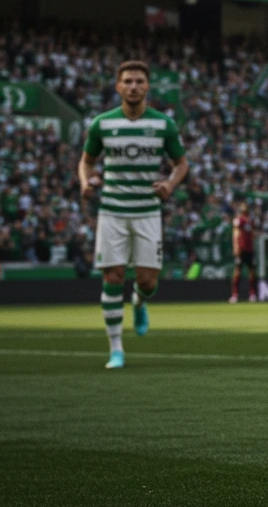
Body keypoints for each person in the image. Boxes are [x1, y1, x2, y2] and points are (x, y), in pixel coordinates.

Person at [79, 61, 189, 369]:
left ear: (147, 87)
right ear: (118, 86)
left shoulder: (163, 125)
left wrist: (169, 183)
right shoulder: (102, 124)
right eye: (127, 81)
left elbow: (182, 164)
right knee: (112, 276)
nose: (133, 86)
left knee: (148, 282)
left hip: (147, 212)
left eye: (139, 81)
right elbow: (86, 162)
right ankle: (116, 349)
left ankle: (139, 302)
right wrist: (86, 182)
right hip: (112, 210)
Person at [230, 199, 257, 303]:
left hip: (250, 249)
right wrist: (236, 247)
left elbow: (253, 233)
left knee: (252, 272)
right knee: (237, 271)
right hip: (241, 250)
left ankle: (252, 294)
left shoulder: (251, 220)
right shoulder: (238, 220)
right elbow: (235, 233)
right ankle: (235, 294)